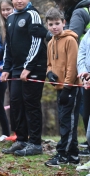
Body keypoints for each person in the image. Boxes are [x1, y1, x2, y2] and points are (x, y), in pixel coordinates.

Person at [0, 0, 47, 156]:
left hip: (33, 68)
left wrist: (28, 67)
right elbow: (8, 45)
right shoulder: (11, 17)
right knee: (16, 103)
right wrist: (6, 68)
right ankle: (21, 139)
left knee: (31, 104)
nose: (19, 1)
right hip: (16, 69)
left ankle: (35, 143)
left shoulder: (32, 15)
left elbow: (37, 42)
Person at [43, 7, 81, 166]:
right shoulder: (51, 42)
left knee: (68, 122)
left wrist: (67, 87)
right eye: (51, 24)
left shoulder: (70, 40)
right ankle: (73, 155)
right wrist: (49, 73)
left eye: (57, 23)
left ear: (64, 23)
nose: (54, 27)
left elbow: (72, 66)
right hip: (59, 88)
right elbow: (49, 64)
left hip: (70, 88)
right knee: (63, 121)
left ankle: (63, 154)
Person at [53, 0, 90, 152]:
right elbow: (82, 49)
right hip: (84, 72)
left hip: (73, 73)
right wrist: (83, 70)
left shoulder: (78, 12)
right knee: (86, 112)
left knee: (78, 110)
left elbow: (72, 37)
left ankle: (71, 148)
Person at [76, 29, 90, 176]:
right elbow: (82, 54)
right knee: (86, 117)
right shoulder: (88, 34)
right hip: (87, 82)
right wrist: (84, 73)